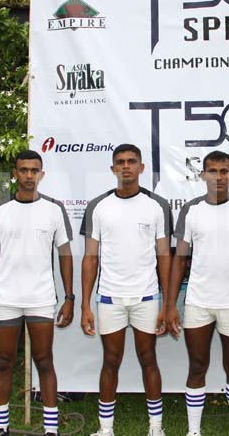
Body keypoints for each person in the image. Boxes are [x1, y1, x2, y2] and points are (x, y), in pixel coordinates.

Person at [166, 150, 229, 436]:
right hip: (198, 302)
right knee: (197, 366)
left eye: (224, 171)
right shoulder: (191, 210)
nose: (218, 177)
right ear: (202, 175)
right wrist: (170, 305)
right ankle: (193, 431)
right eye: (212, 171)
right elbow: (180, 260)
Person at [0, 150, 75, 436]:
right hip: (6, 299)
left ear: (42, 174)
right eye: (24, 170)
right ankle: (0, 426)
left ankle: (51, 428)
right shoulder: (0, 211)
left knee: (44, 361)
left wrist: (69, 297)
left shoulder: (54, 210)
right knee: (4, 361)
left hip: (41, 298)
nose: (29, 175)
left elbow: (65, 254)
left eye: (34, 170)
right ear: (14, 173)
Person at [80, 144, 173, 436]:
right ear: (113, 169)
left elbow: (164, 256)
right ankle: (105, 429)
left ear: (141, 167)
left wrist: (167, 304)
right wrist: (85, 305)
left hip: (147, 297)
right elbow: (90, 257)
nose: (126, 166)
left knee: (148, 358)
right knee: (110, 360)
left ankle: (155, 428)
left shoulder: (157, 206)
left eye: (132, 161)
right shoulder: (98, 206)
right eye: (120, 162)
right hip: (110, 297)